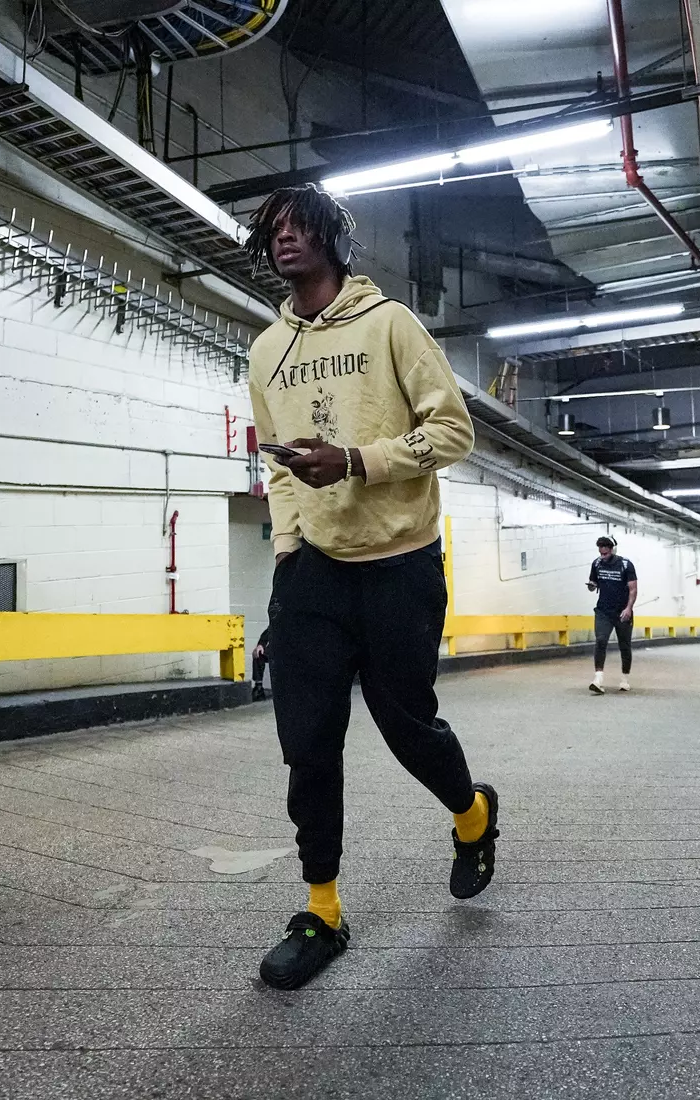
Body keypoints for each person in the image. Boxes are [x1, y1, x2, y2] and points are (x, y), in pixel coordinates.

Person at [245, 184, 498, 991]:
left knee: (406, 723)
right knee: (307, 742)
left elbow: (453, 430)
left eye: (298, 226)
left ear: (331, 238)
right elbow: (276, 464)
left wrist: (357, 460)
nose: (285, 239)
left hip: (399, 558)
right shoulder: (264, 350)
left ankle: (472, 815)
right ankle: (321, 909)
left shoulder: (390, 324)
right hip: (313, 571)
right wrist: (287, 551)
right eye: (272, 230)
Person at [586, 535, 637, 695]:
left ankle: (624, 679)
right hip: (603, 611)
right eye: (601, 553)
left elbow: (633, 589)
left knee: (624, 645)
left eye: (606, 554)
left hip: (622, 611)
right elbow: (593, 584)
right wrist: (592, 586)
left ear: (612, 550)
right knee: (601, 641)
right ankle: (598, 679)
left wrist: (628, 608)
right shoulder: (596, 563)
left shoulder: (625, 565)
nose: (603, 557)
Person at [251, 626, 270, 700]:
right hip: (277, 648)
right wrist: (260, 645)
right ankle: (259, 687)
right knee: (258, 653)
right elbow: (268, 632)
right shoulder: (280, 620)